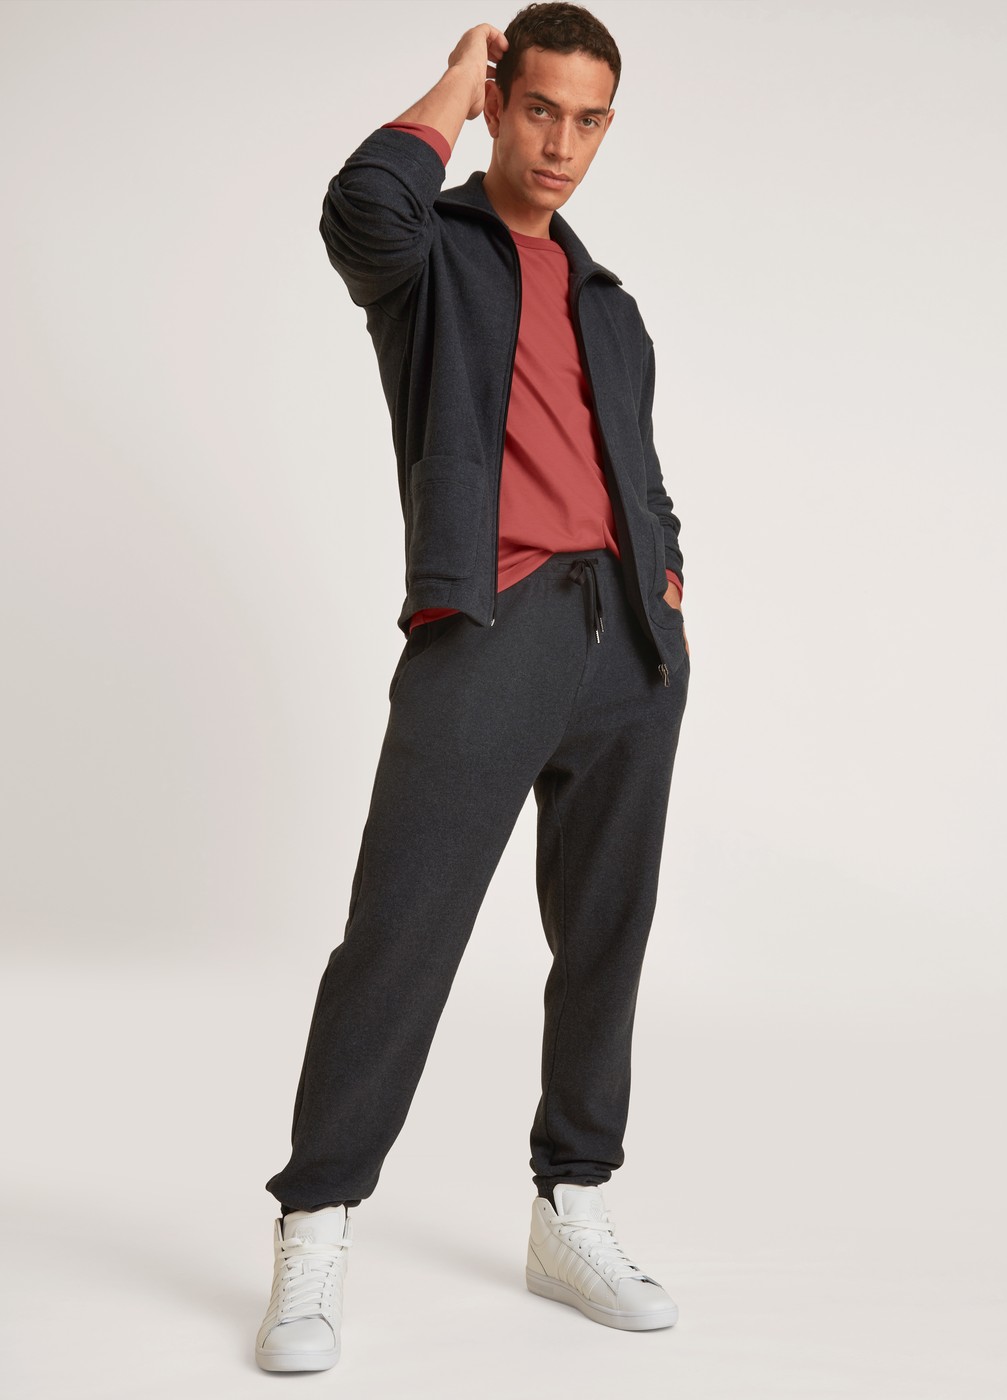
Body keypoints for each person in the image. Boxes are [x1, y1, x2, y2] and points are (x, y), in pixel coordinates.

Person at [255, 2, 691, 1372]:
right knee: (401, 934)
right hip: (487, 630)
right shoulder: (429, 254)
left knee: (606, 936)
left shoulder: (611, 307)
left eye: (587, 120)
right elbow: (358, 207)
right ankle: (315, 1223)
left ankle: (575, 1205)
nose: (559, 143)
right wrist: (452, 78)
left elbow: (637, 472)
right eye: (537, 108)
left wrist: (668, 583)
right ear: (502, 105)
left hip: (625, 649)